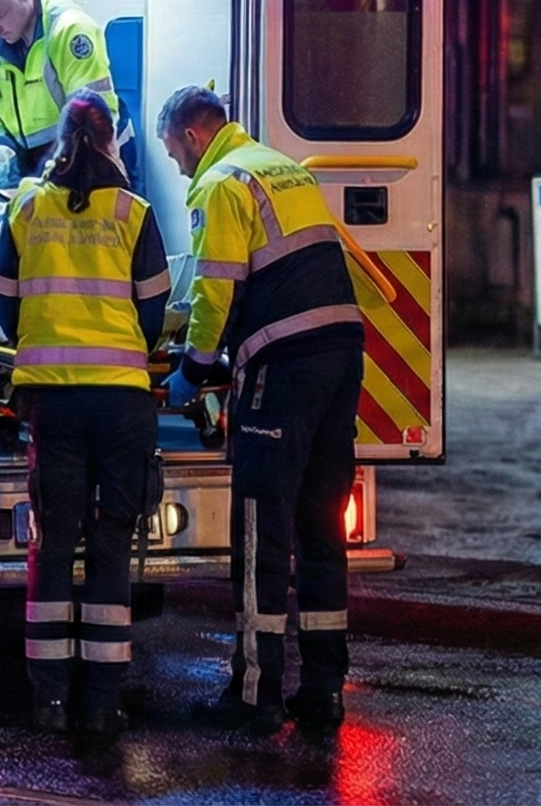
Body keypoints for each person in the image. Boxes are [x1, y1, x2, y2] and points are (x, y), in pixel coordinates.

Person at [156, 84, 363, 732]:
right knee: (321, 528)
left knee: (260, 533)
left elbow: (216, 289)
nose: (178, 168)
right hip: (339, 354)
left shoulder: (221, 183)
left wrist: (194, 368)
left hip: (285, 364)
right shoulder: (281, 167)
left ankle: (255, 694)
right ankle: (323, 689)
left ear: (193, 136)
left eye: (174, 153)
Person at [0, 96, 170, 736]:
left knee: (54, 545)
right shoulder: (133, 213)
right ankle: (102, 703)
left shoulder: (27, 208)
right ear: (112, 141)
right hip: (121, 400)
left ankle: (51, 700)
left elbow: (3, 301)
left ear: (58, 140)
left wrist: (39, 338)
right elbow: (154, 310)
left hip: (53, 399)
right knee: (112, 545)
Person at [0, 0, 125, 177]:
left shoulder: (69, 30)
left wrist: (58, 173)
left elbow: (93, 122)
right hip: (33, 169)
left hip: (88, 162)